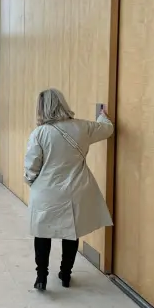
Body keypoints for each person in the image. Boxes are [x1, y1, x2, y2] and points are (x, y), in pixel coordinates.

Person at [24, 88, 114, 291]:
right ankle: (65, 274)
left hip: (47, 192)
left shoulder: (39, 133)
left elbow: (31, 166)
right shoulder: (82, 127)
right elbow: (107, 129)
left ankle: (41, 277)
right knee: (71, 233)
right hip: (76, 189)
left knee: (42, 233)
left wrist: (32, 183)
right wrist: (102, 114)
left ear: (41, 108)